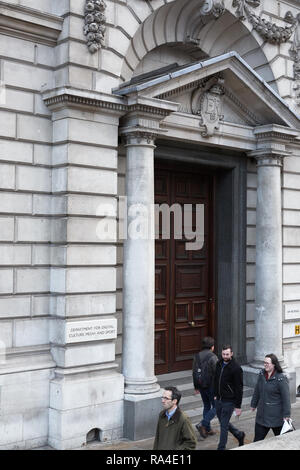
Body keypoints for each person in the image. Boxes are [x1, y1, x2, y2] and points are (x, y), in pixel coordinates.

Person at [251, 353, 291, 441]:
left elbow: (286, 398)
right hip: (262, 416)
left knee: (283, 442)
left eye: (267, 363)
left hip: (276, 418)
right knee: (256, 443)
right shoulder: (261, 375)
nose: (265, 365)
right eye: (264, 362)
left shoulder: (281, 379)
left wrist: (286, 414)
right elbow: (257, 390)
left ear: (274, 364)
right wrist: (253, 404)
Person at [214, 344, 245, 450]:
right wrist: (215, 394)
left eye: (227, 354)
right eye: (223, 354)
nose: (225, 356)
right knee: (223, 422)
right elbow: (216, 380)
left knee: (223, 426)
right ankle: (239, 434)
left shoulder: (236, 368)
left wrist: (238, 406)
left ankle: (221, 447)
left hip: (229, 401)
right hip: (218, 400)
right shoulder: (218, 363)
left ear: (231, 354)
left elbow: (239, 388)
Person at [153, 386, 197, 450]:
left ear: (174, 401)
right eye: (162, 397)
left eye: (166, 398)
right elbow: (157, 439)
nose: (163, 401)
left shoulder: (183, 419)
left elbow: (191, 443)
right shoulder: (162, 415)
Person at [193, 336, 218, 438]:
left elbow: (194, 372)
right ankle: (203, 424)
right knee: (217, 406)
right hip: (211, 386)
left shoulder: (197, 356)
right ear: (212, 347)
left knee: (207, 405)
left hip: (201, 385)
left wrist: (196, 386)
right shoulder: (213, 357)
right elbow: (217, 374)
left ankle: (207, 429)